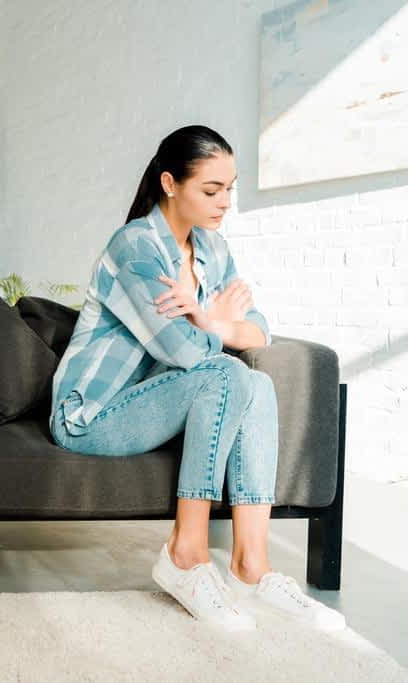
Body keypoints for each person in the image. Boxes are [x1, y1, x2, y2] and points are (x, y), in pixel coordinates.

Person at [49, 125, 345, 632]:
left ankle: (252, 567)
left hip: (158, 402)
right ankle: (185, 555)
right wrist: (218, 328)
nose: (225, 201)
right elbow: (180, 350)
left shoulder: (213, 249)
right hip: (91, 414)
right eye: (211, 190)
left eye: (229, 188)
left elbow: (259, 331)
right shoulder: (135, 247)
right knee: (227, 373)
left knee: (258, 382)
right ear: (170, 183)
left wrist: (207, 319)